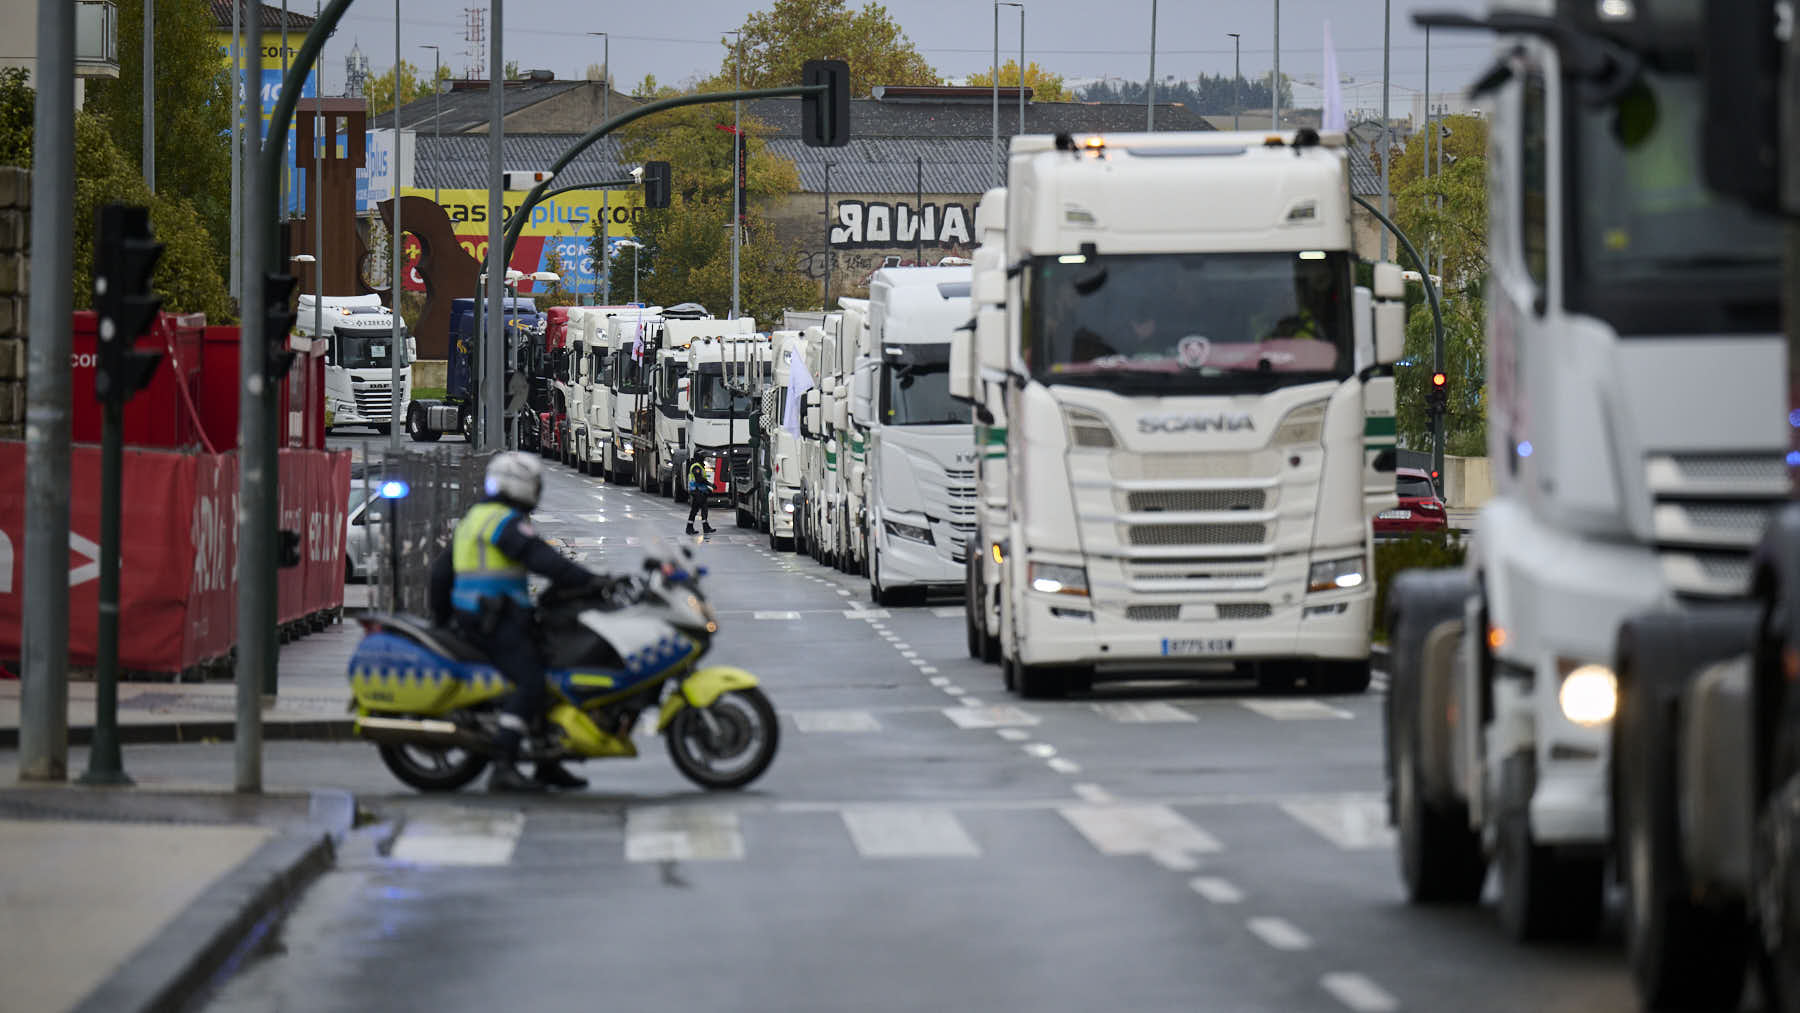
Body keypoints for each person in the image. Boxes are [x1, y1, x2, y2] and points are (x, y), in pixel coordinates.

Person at [450, 452, 599, 793]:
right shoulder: (501, 520)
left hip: (491, 614)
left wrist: (445, 619)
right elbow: (539, 557)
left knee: (553, 670)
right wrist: (589, 580)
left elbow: (443, 575)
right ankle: (503, 764)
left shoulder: (476, 516)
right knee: (531, 680)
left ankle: (547, 762)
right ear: (520, 486)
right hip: (490, 618)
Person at [685, 457, 716, 535]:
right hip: (697, 491)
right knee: (700, 509)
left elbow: (700, 479)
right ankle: (700, 527)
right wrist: (710, 484)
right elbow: (699, 479)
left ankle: (692, 527)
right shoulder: (696, 467)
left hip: (698, 491)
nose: (704, 461)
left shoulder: (697, 466)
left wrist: (707, 488)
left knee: (697, 509)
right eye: (703, 459)